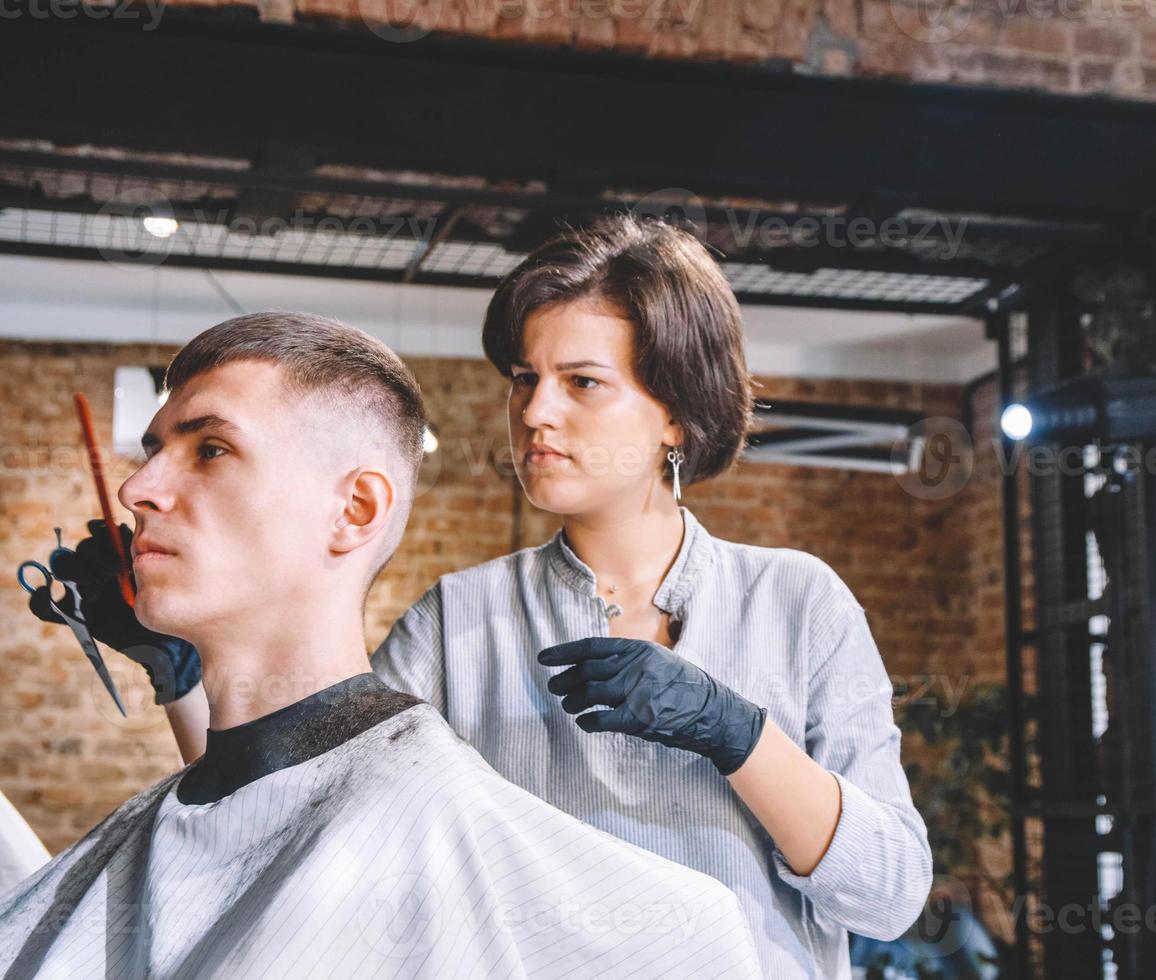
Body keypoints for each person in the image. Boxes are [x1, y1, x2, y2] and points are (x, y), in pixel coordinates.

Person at [32, 215, 934, 978]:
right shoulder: (462, 622)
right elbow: (298, 814)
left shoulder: (799, 604)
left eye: (581, 383)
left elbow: (888, 895)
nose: (536, 413)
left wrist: (739, 736)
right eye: (524, 379)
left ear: (676, 412)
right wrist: (184, 675)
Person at [3, 313, 762, 979]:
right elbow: (277, 790)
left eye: (209, 450)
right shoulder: (213, 810)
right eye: (154, 449)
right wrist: (179, 677)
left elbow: (701, 939)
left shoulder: (433, 821)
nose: (139, 489)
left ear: (355, 509)